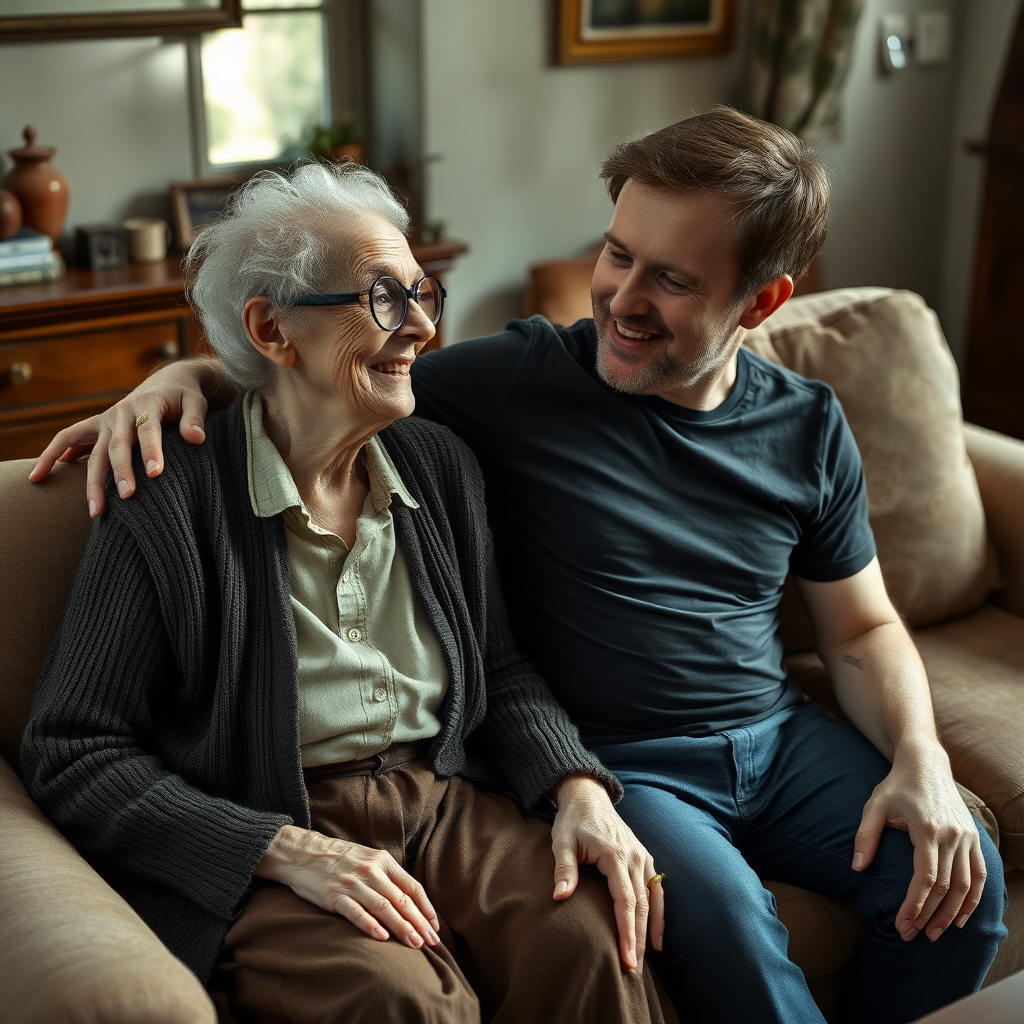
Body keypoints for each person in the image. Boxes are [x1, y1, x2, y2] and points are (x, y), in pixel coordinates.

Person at [32, 108, 1008, 1024]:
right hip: (597, 767)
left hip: (714, 746)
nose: (623, 297)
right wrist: (186, 375)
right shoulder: (496, 389)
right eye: (616, 255)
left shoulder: (789, 423)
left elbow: (856, 627)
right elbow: (291, 386)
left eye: (670, 279)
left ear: (762, 302)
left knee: (951, 882)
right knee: (667, 938)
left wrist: (919, 763)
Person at [21, 161, 668, 1024]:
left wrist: (577, 790)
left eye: (423, 295)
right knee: (400, 1001)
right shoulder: (166, 498)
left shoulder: (440, 467)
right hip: (269, 818)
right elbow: (73, 749)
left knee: (590, 944)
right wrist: (279, 850)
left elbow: (502, 671)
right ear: (272, 330)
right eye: (383, 300)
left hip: (443, 801)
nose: (422, 331)